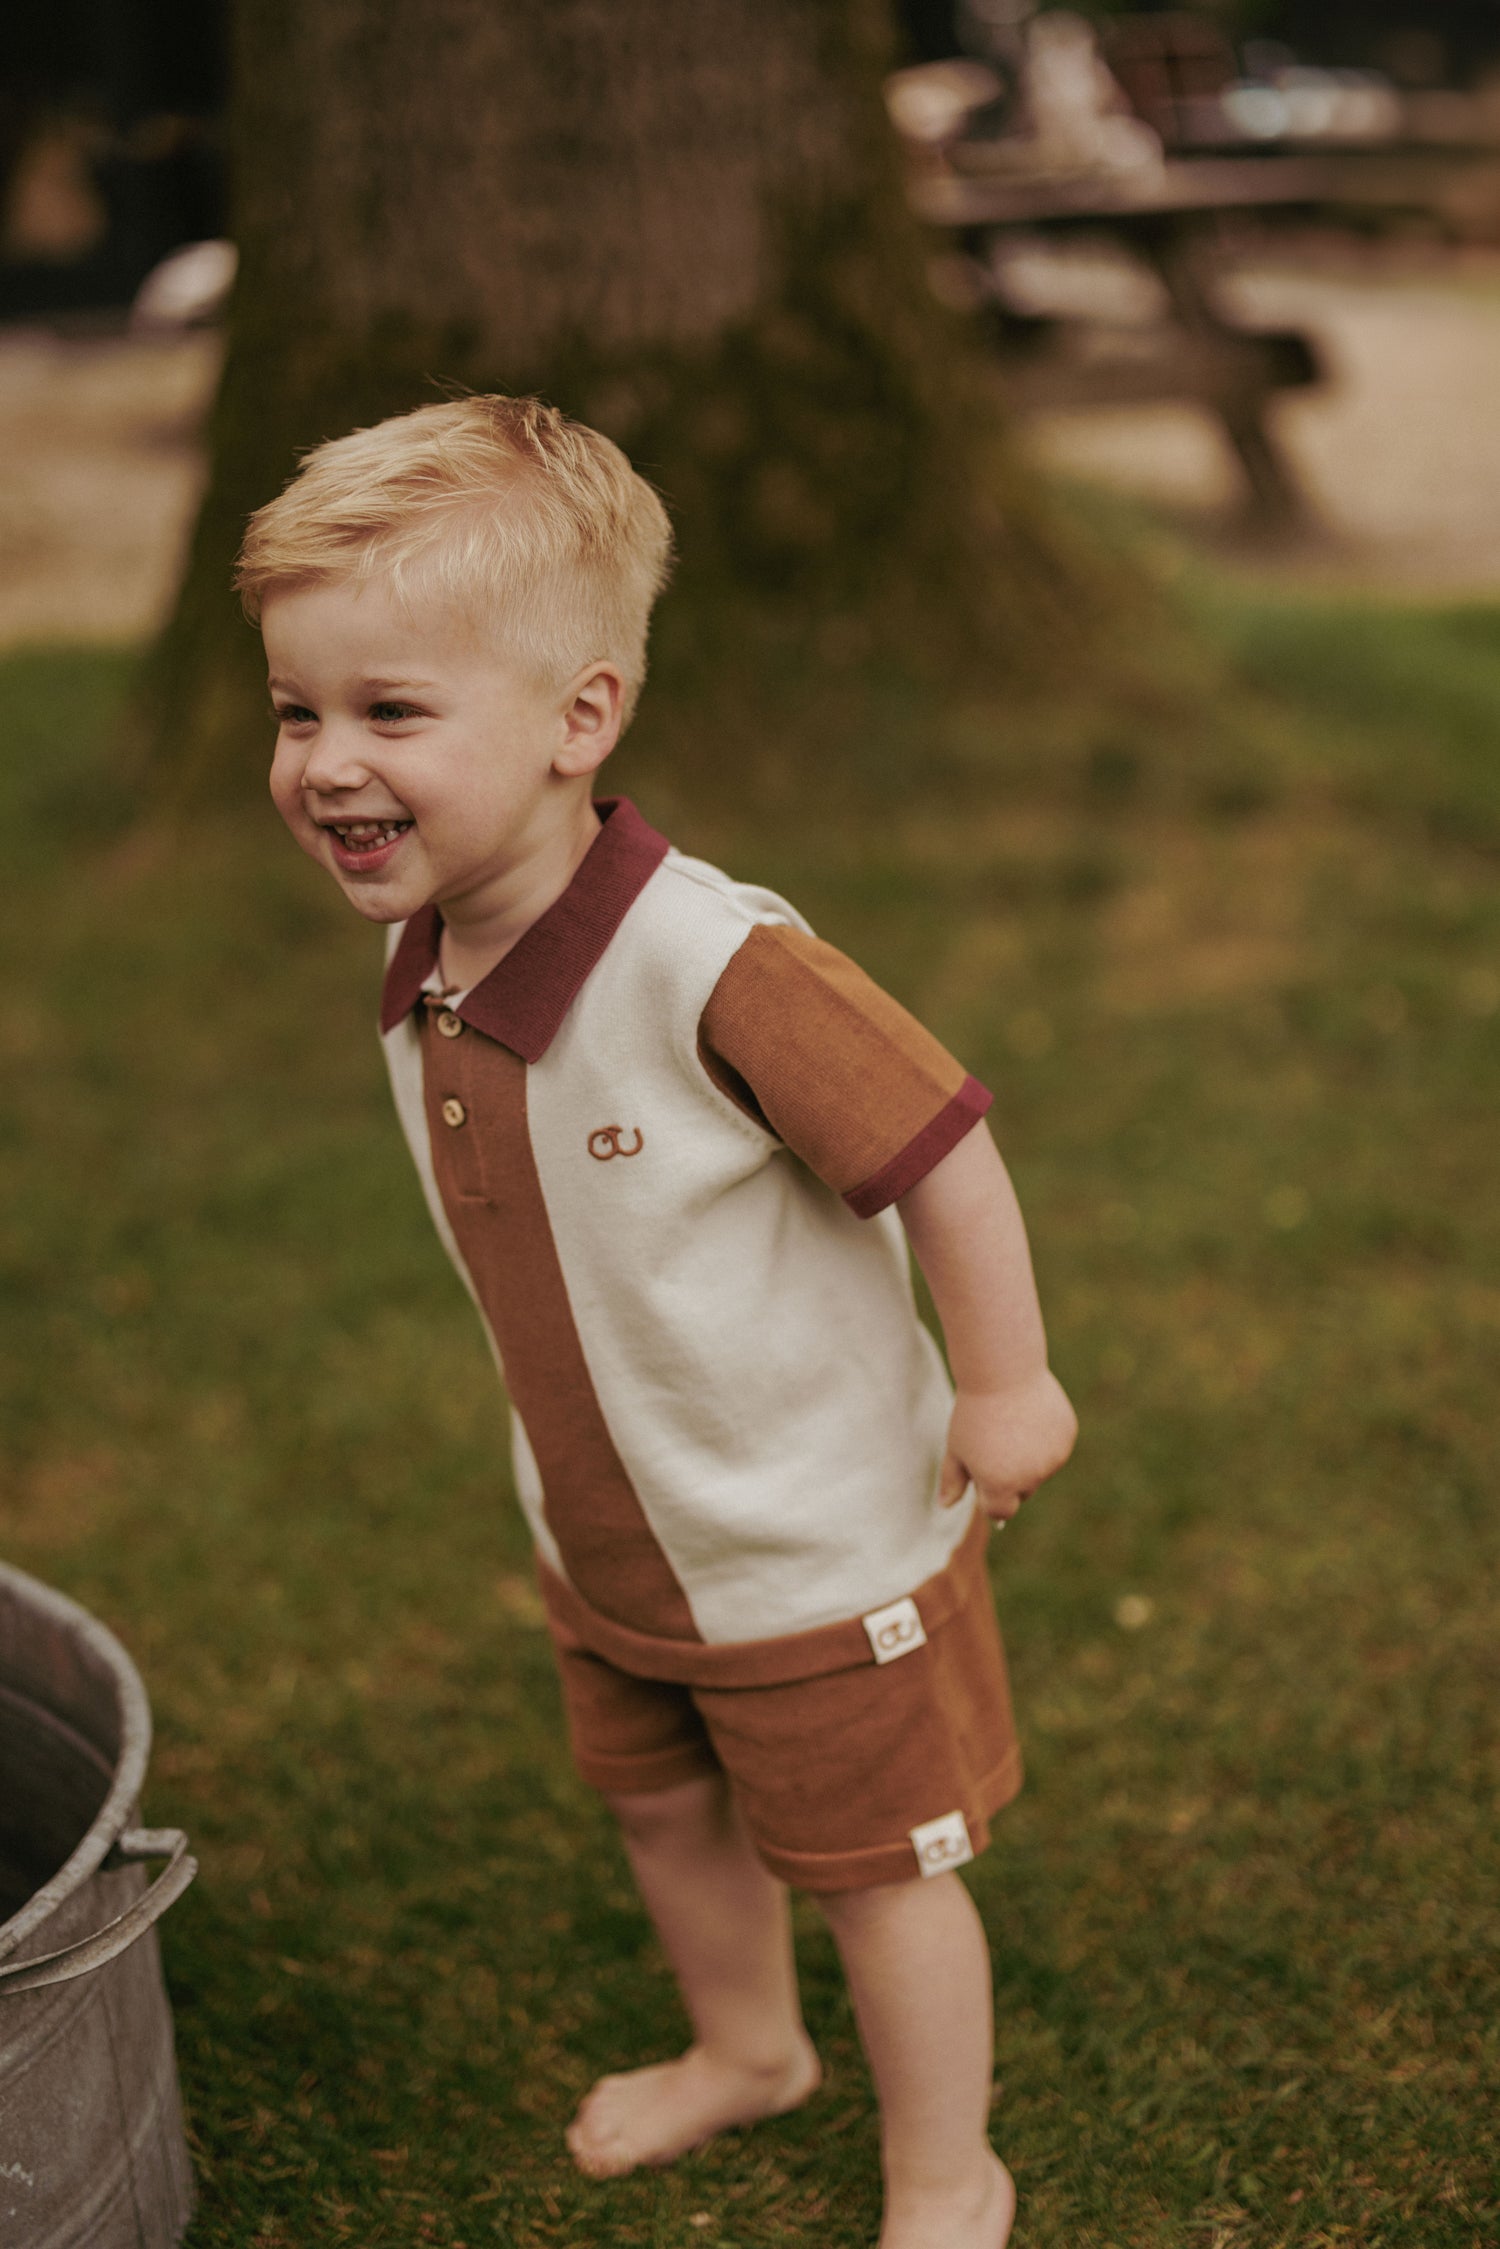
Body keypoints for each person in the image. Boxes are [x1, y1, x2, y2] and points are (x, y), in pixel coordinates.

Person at [237, 394, 1077, 2249]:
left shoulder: (711, 959)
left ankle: (951, 2172)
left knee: (875, 1868)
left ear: (578, 721)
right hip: (612, 1532)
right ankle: (747, 2046)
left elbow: (938, 1143)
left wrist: (1008, 1384)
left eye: (389, 712)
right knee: (665, 1812)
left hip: (805, 1537)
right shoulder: (438, 946)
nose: (322, 763)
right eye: (299, 711)